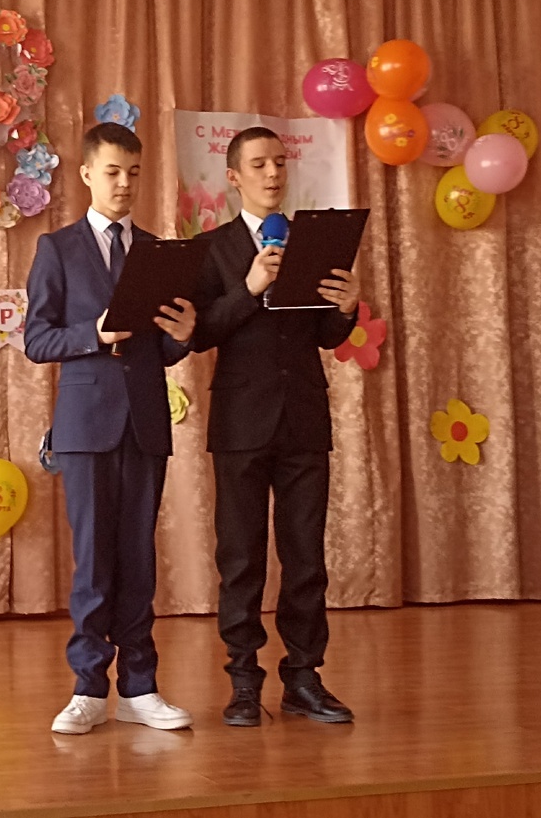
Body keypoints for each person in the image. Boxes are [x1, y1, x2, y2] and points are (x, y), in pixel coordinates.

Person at [25, 122, 197, 736]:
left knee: (139, 561)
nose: (125, 184)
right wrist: (93, 334)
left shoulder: (157, 251)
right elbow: (37, 340)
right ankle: (88, 689)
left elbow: (162, 348)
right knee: (94, 562)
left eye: (134, 173)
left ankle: (141, 688)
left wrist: (184, 336)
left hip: (145, 422)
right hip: (84, 425)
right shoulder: (57, 248)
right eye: (113, 172)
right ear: (86, 174)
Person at [192, 126, 359, 727]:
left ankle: (304, 677)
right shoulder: (211, 248)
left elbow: (326, 335)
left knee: (305, 556)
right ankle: (243, 680)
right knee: (240, 557)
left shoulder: (312, 241)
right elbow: (199, 333)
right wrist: (250, 288)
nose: (272, 173)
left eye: (280, 163)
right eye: (259, 164)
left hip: (304, 419)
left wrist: (347, 308)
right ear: (233, 177)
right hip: (240, 422)